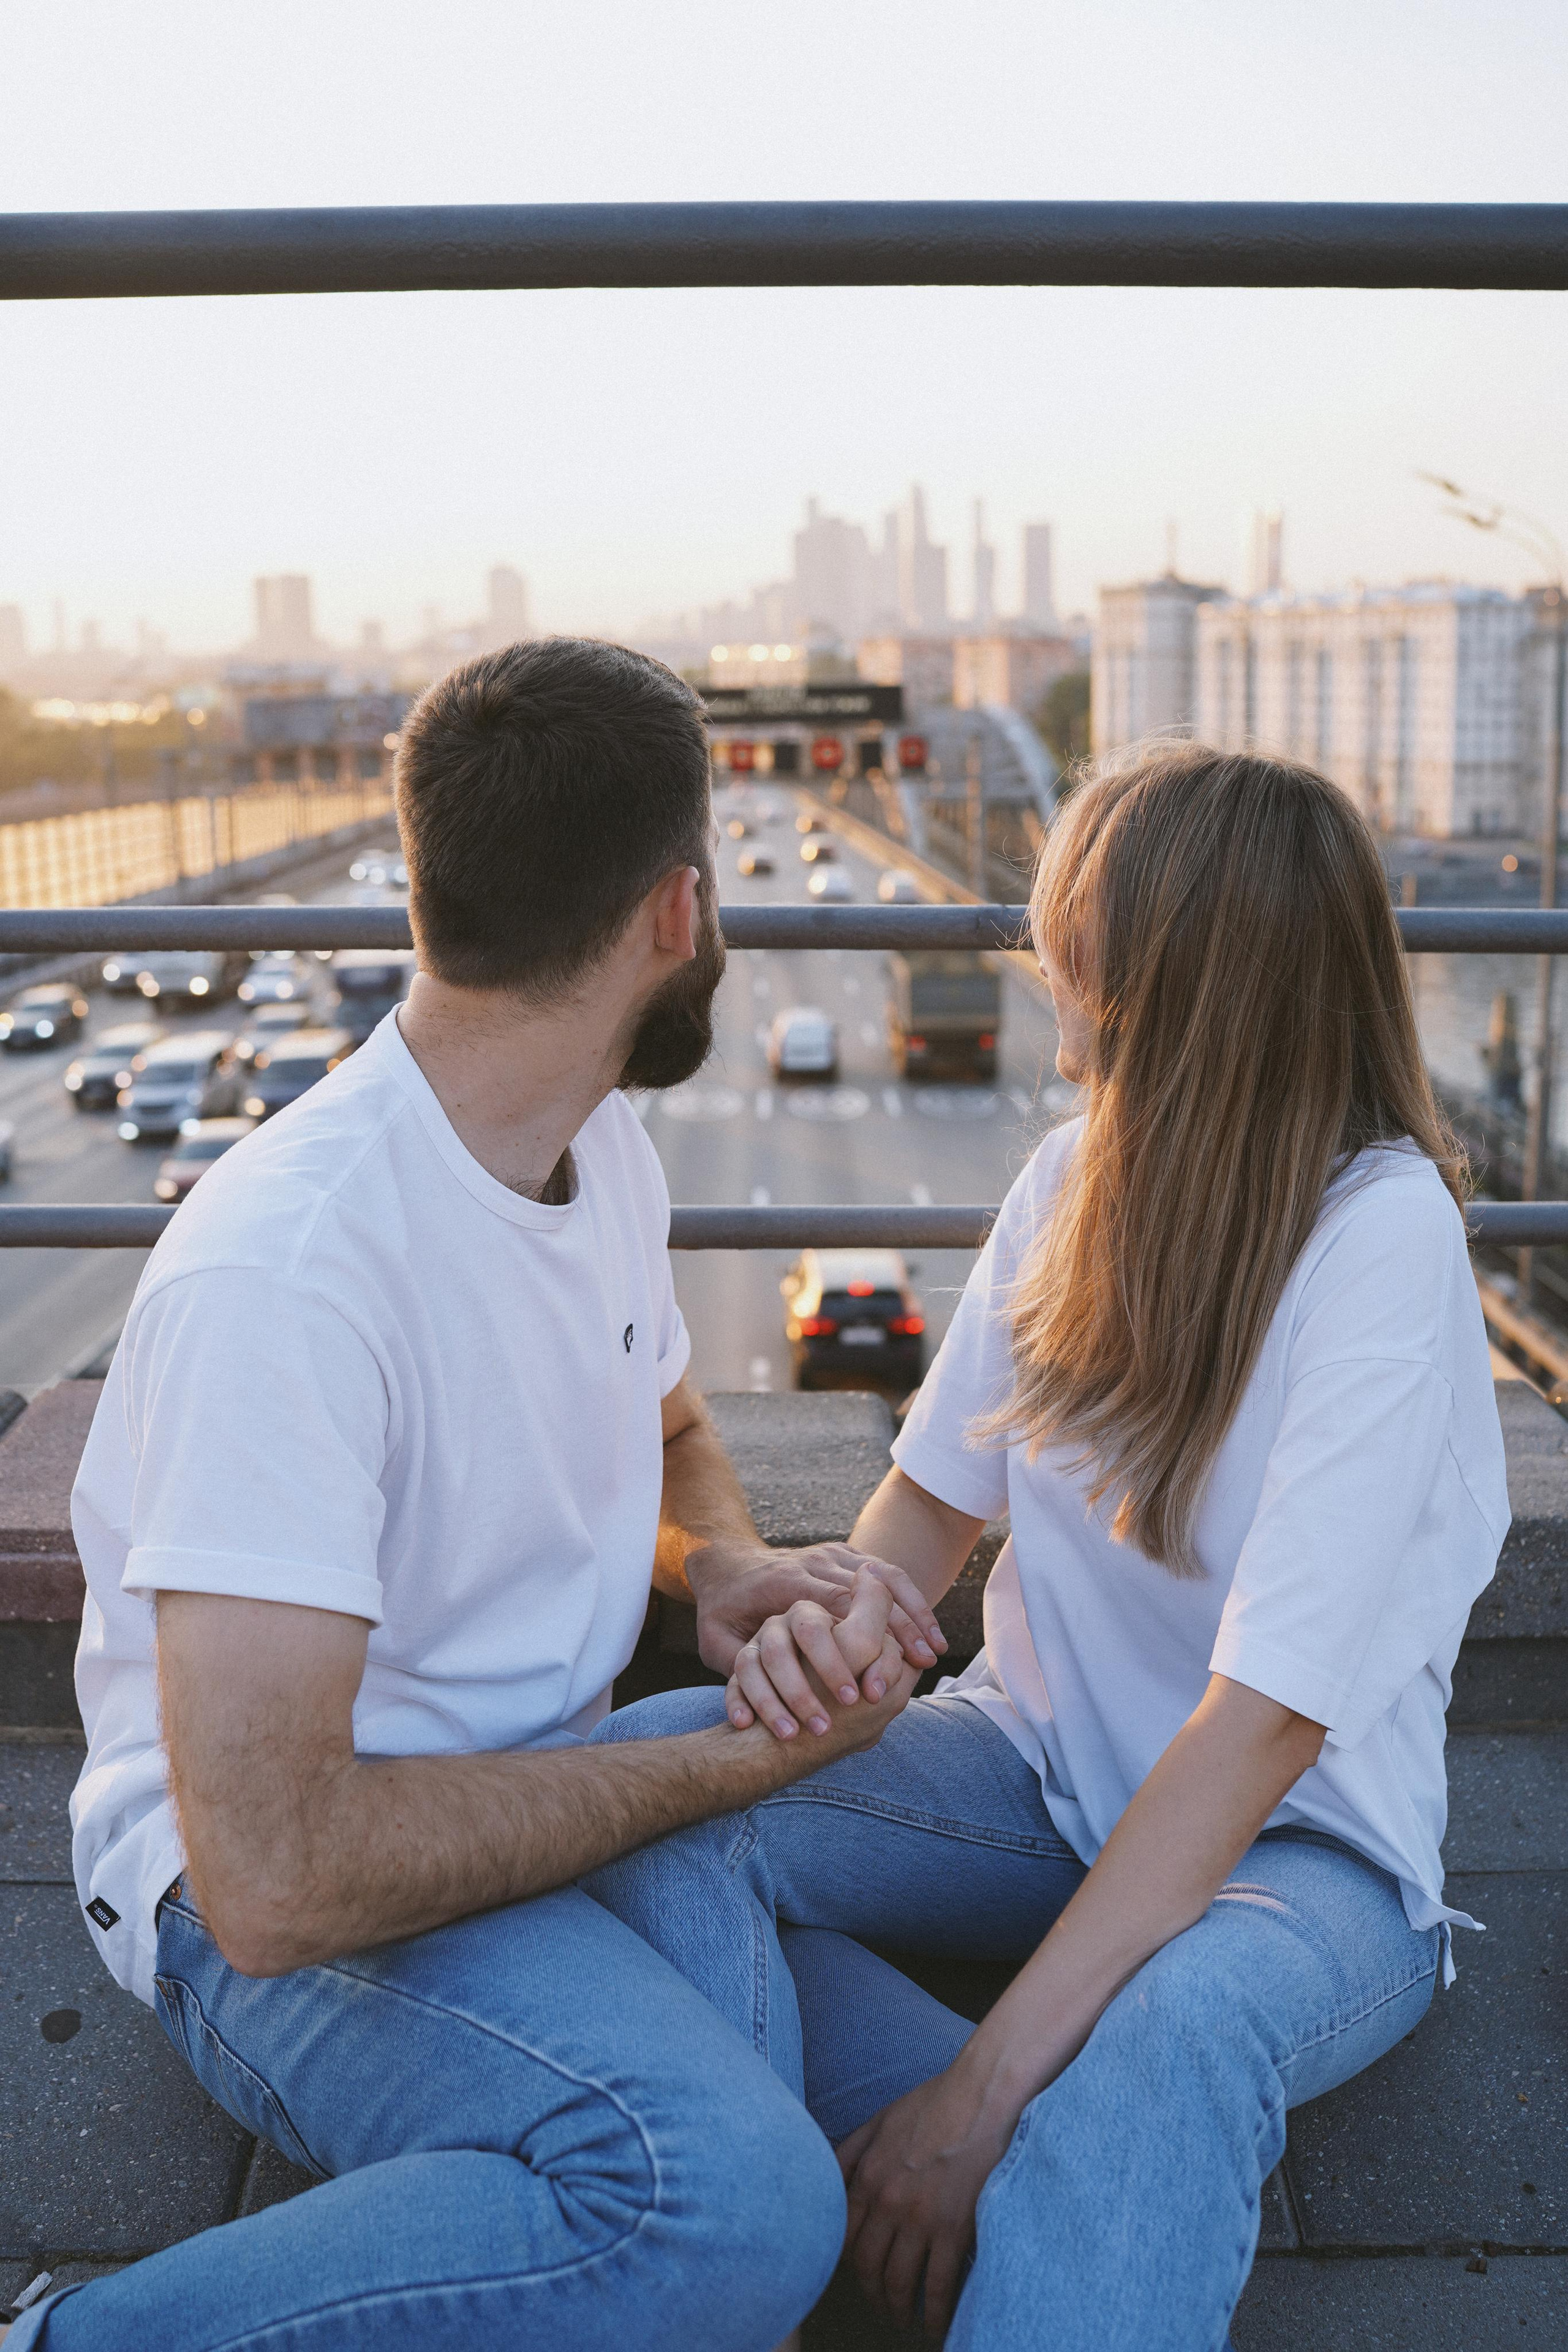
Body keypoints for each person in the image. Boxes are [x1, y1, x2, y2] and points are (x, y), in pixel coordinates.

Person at [13, 639, 943, 2352]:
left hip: (557, 1813)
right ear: (677, 914)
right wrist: (729, 1757)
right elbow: (276, 1878)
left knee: (981, 2141)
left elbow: (661, 1426)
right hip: (281, 1919)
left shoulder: (597, 1147)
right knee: (727, 2200)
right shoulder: (295, 1271)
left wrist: (726, 1562)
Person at [588, 742, 1510, 2350]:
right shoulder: (1073, 1177)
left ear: (1172, 978)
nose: (1041, 967)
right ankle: (859, 2215)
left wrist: (971, 2092)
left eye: (1074, 934)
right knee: (667, 1785)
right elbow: (933, 1506)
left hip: (1298, 1859)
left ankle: (979, 2148)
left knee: (1179, 2027)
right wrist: (843, 1628)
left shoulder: (1385, 1240)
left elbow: (1264, 1729)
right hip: (1037, 1774)